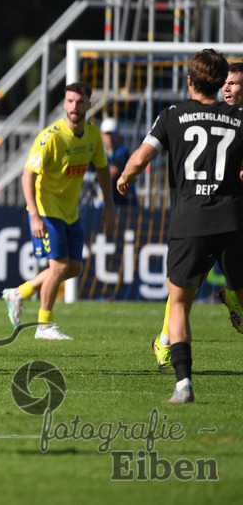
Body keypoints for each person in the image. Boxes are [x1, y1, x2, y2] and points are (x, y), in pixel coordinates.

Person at [117, 49, 243, 403]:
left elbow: (141, 157)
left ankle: (183, 384)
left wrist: (126, 176)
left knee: (179, 304)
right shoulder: (239, 119)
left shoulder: (172, 116)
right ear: (221, 84)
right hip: (232, 220)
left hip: (190, 221)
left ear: (190, 81)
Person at [1, 82, 116, 339]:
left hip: (69, 211)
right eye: (70, 101)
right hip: (46, 209)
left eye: (79, 102)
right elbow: (27, 176)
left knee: (73, 268)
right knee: (59, 266)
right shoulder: (50, 137)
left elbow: (102, 170)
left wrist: (109, 206)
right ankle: (44, 325)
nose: (74, 106)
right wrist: (34, 215)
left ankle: (18, 293)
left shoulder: (93, 136)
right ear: (65, 104)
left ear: (88, 104)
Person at [151, 61, 243, 371]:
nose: (228, 88)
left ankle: (230, 294)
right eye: (225, 82)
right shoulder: (214, 120)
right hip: (215, 214)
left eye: (234, 83)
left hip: (232, 215)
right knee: (188, 282)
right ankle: (165, 340)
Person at [99, 117, 134, 206]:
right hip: (105, 201)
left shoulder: (122, 152)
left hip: (122, 201)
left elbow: (114, 172)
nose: (110, 137)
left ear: (117, 134)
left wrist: (96, 176)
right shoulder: (99, 153)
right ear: (102, 135)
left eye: (112, 133)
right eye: (107, 134)